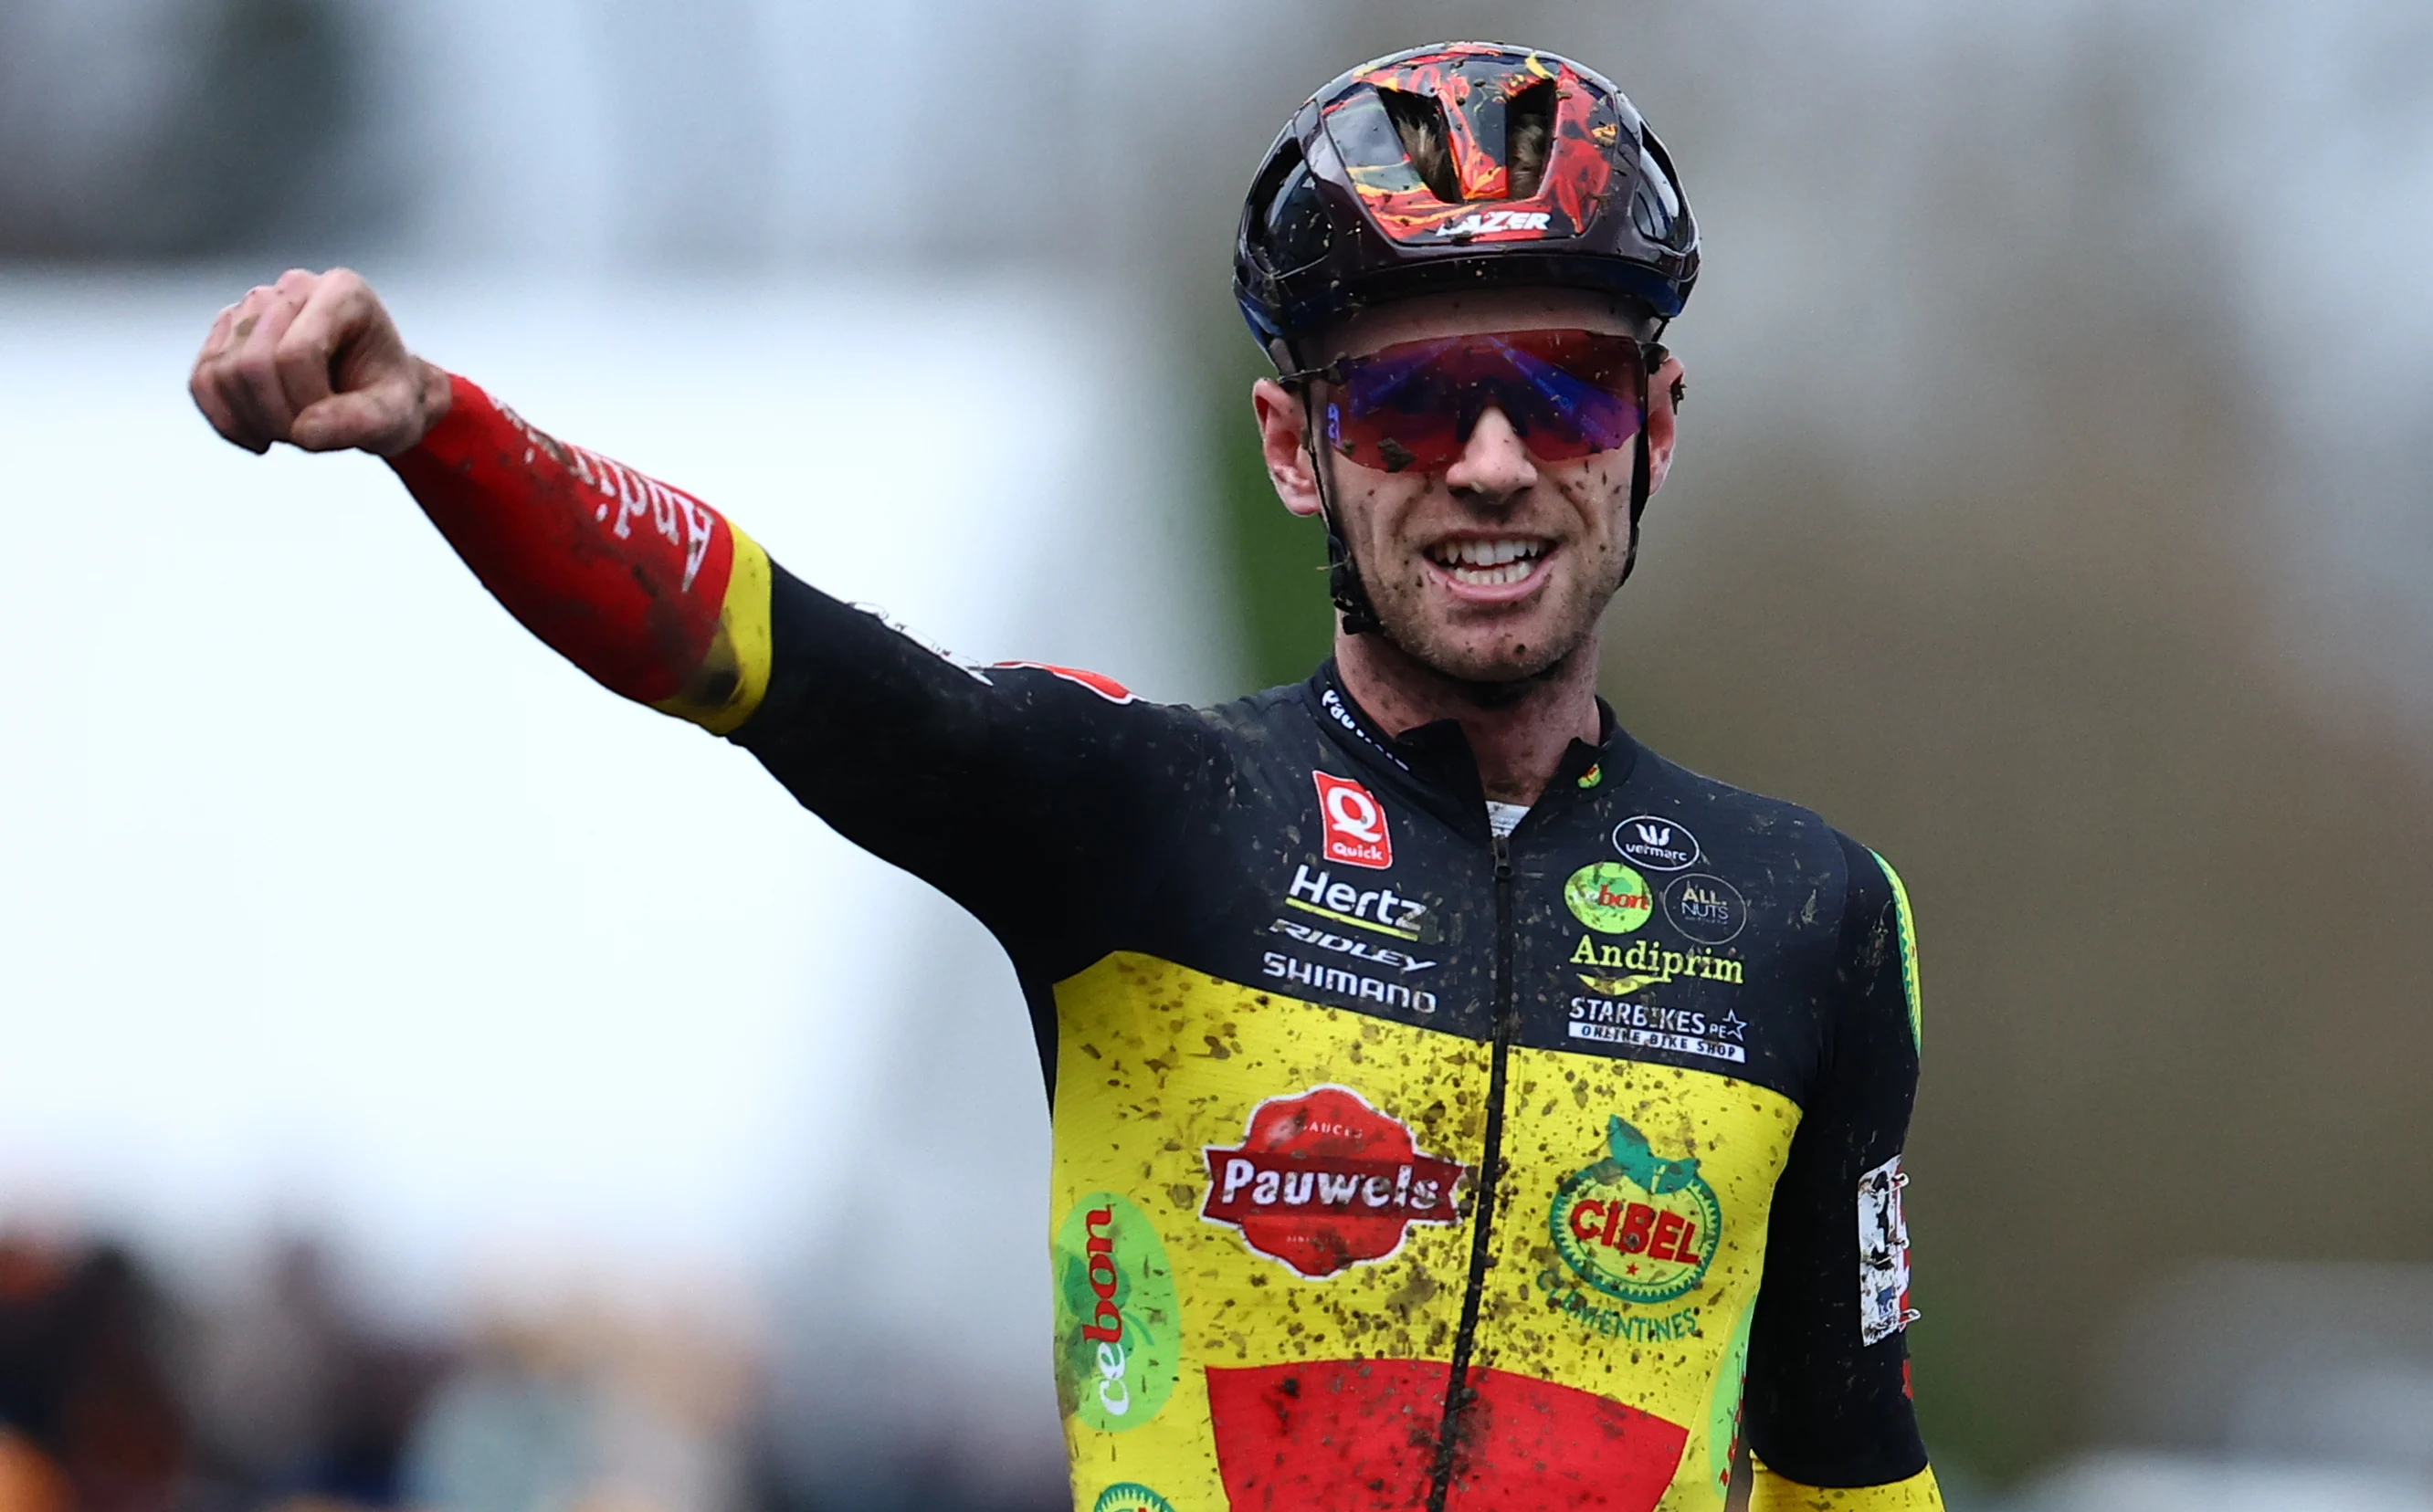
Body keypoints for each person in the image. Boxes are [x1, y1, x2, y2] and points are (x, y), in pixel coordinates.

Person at [187, 39, 1940, 1512]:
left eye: (1560, 395)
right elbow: (754, 647)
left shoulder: (1811, 919)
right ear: (1293, 449)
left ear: (1655, 429)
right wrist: (437, 424)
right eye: (1411, 399)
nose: (1490, 465)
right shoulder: (1141, 816)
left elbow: (1853, 1475)